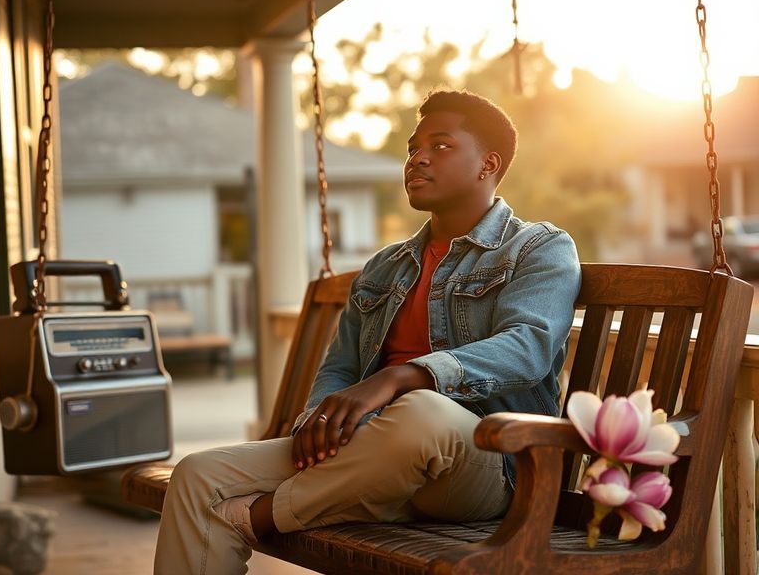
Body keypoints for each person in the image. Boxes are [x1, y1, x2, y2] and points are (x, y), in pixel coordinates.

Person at [154, 89, 581, 574]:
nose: (416, 158)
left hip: (490, 461)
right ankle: (324, 493)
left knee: (420, 413)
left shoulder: (537, 247)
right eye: (411, 148)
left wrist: (400, 378)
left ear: (488, 163)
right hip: (375, 452)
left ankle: (257, 517)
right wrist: (317, 422)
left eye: (439, 146)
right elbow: (340, 365)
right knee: (195, 476)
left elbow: (528, 347)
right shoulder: (386, 266)